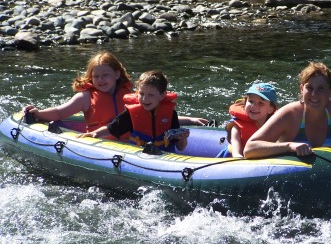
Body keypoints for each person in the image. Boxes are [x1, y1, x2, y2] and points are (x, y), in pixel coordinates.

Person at [23, 51, 209, 138]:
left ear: (117, 74)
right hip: (99, 144)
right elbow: (59, 113)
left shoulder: (130, 95)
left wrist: (190, 119)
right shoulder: (85, 97)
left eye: (105, 75)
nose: (101, 80)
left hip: (130, 146)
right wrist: (37, 114)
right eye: (96, 76)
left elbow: (157, 114)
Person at [244, 62, 331, 159]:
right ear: (302, 89)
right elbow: (249, 149)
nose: (314, 94)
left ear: (330, 91)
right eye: (309, 88)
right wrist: (289, 146)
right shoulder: (289, 114)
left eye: (321, 88)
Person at [77, 70, 188, 151]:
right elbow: (112, 128)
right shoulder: (132, 113)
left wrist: (182, 139)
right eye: (141, 94)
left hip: (164, 156)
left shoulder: (170, 114)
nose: (145, 99)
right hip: (138, 155)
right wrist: (95, 133)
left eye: (151, 95)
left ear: (163, 95)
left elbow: (180, 147)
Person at [218, 83, 277, 158]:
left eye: (261, 103)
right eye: (251, 101)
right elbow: (236, 153)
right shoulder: (237, 126)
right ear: (245, 103)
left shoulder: (275, 125)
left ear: (270, 109)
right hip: (234, 160)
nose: (253, 106)